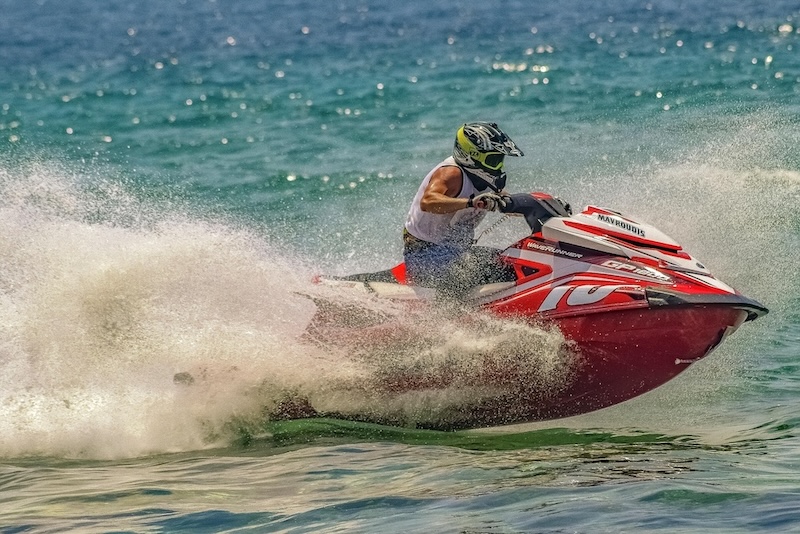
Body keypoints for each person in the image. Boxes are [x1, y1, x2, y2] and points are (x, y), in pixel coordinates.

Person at [403, 122, 524, 296]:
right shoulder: (451, 173)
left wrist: (537, 204)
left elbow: (505, 201)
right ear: (472, 156)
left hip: (457, 253)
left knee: (511, 262)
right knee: (472, 271)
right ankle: (450, 318)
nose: (498, 166)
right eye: (493, 160)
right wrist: (470, 202)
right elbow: (428, 201)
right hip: (424, 255)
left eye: (500, 159)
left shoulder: (484, 177)